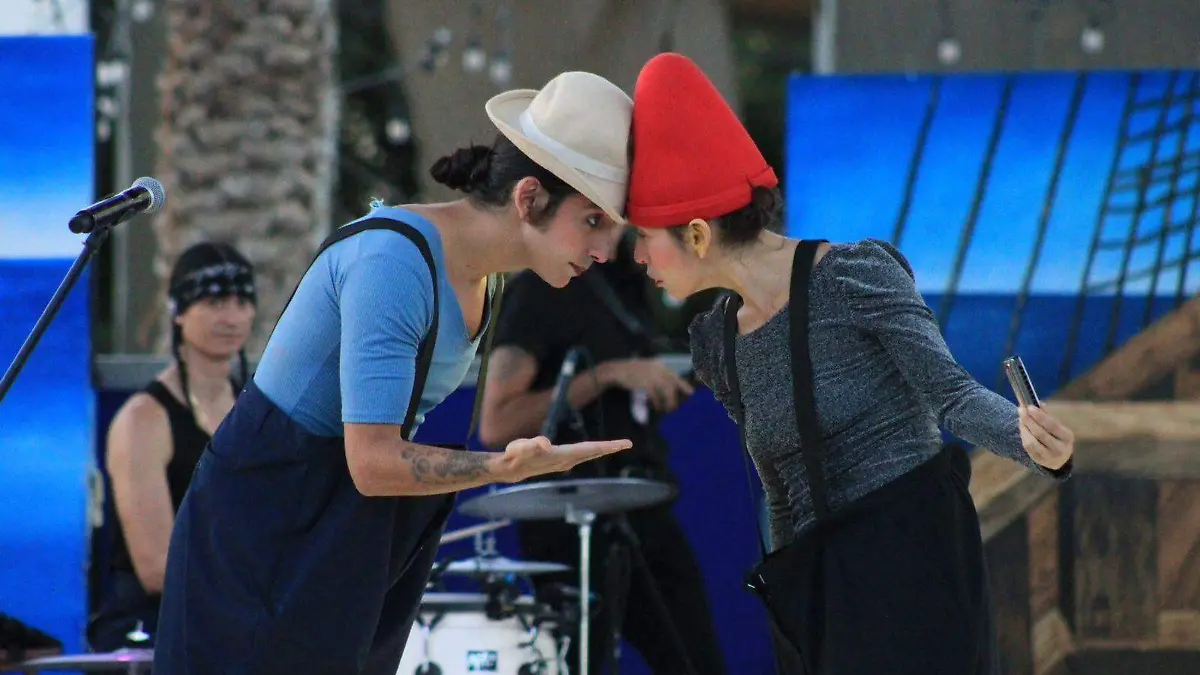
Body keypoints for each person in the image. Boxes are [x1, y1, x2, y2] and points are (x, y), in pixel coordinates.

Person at [152, 71, 635, 675]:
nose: (605, 251)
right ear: (529, 198)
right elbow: (373, 462)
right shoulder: (393, 263)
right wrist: (501, 468)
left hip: (343, 526)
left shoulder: (486, 276)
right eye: (592, 221)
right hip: (263, 529)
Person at [625, 53, 1077, 674]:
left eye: (644, 236)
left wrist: (1033, 444)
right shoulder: (717, 343)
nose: (637, 257)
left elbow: (951, 395)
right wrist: (790, 612)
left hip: (916, 565)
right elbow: (779, 485)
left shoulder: (853, 275)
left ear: (697, 235)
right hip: (822, 591)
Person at [478, 231, 727, 675]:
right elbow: (497, 423)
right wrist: (609, 375)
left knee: (695, 659)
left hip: (641, 501)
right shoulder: (542, 287)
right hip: (570, 517)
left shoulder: (629, 287)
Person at [88, 242, 257, 652]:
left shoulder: (259, 410)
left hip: (243, 615)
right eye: (214, 302)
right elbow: (157, 568)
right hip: (157, 626)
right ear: (179, 310)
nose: (231, 317)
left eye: (241, 302)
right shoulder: (143, 419)